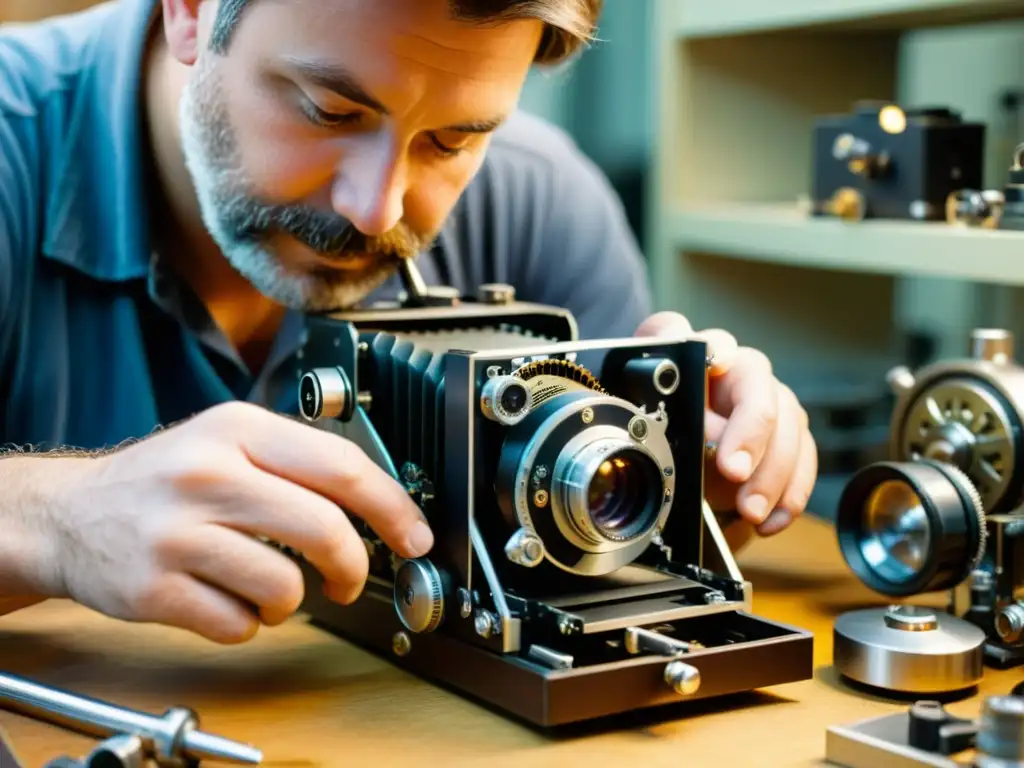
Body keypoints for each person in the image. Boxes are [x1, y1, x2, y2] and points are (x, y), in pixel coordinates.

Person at [0, 0, 817, 644]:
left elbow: (616, 534)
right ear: (189, 11)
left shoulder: (543, 197)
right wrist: (54, 519)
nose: (377, 207)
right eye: (329, 110)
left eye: (454, 141)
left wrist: (701, 479)